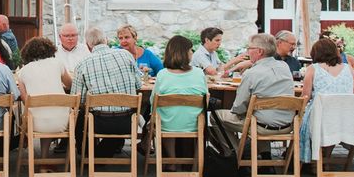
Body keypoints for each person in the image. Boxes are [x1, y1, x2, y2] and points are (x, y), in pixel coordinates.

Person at [215, 33, 295, 150]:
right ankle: (260, 154)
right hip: (287, 125)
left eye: (249, 48)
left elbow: (239, 107)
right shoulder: (284, 67)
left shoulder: (252, 73)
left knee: (215, 116)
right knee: (257, 115)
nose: (247, 52)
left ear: (259, 51)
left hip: (260, 126)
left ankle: (235, 155)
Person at [72, 27, 143, 156]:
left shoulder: (82, 64)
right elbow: (138, 84)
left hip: (98, 122)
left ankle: (87, 154)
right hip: (128, 122)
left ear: (88, 45)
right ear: (106, 40)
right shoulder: (126, 55)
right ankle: (101, 152)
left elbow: (78, 100)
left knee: (79, 116)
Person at [298, 37, 354, 159]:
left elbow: (305, 97)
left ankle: (314, 158)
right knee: (329, 118)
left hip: (321, 120)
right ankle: (325, 157)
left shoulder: (313, 69)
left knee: (303, 116)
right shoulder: (349, 69)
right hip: (346, 120)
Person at [151, 35, 209, 158]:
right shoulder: (199, 73)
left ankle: (171, 160)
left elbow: (153, 101)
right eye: (190, 50)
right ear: (184, 53)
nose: (192, 52)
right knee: (175, 115)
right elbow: (206, 98)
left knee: (165, 117)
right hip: (194, 124)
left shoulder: (162, 74)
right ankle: (193, 163)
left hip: (166, 125)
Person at [16, 36, 72, 146]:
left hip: (35, 124)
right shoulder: (58, 63)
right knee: (50, 109)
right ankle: (47, 156)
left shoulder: (22, 72)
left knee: (38, 111)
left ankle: (42, 156)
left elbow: (24, 101)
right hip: (63, 122)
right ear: (50, 49)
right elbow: (70, 84)